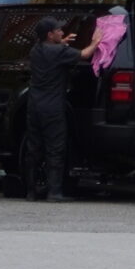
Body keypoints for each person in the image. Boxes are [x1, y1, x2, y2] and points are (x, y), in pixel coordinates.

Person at [24, 16, 96, 202]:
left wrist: (61, 43)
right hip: (52, 108)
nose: (62, 32)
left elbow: (51, 51)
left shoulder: (35, 50)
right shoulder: (58, 51)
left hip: (34, 106)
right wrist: (96, 41)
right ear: (50, 34)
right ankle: (54, 192)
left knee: (34, 148)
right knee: (55, 149)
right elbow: (85, 54)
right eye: (58, 31)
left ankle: (31, 192)